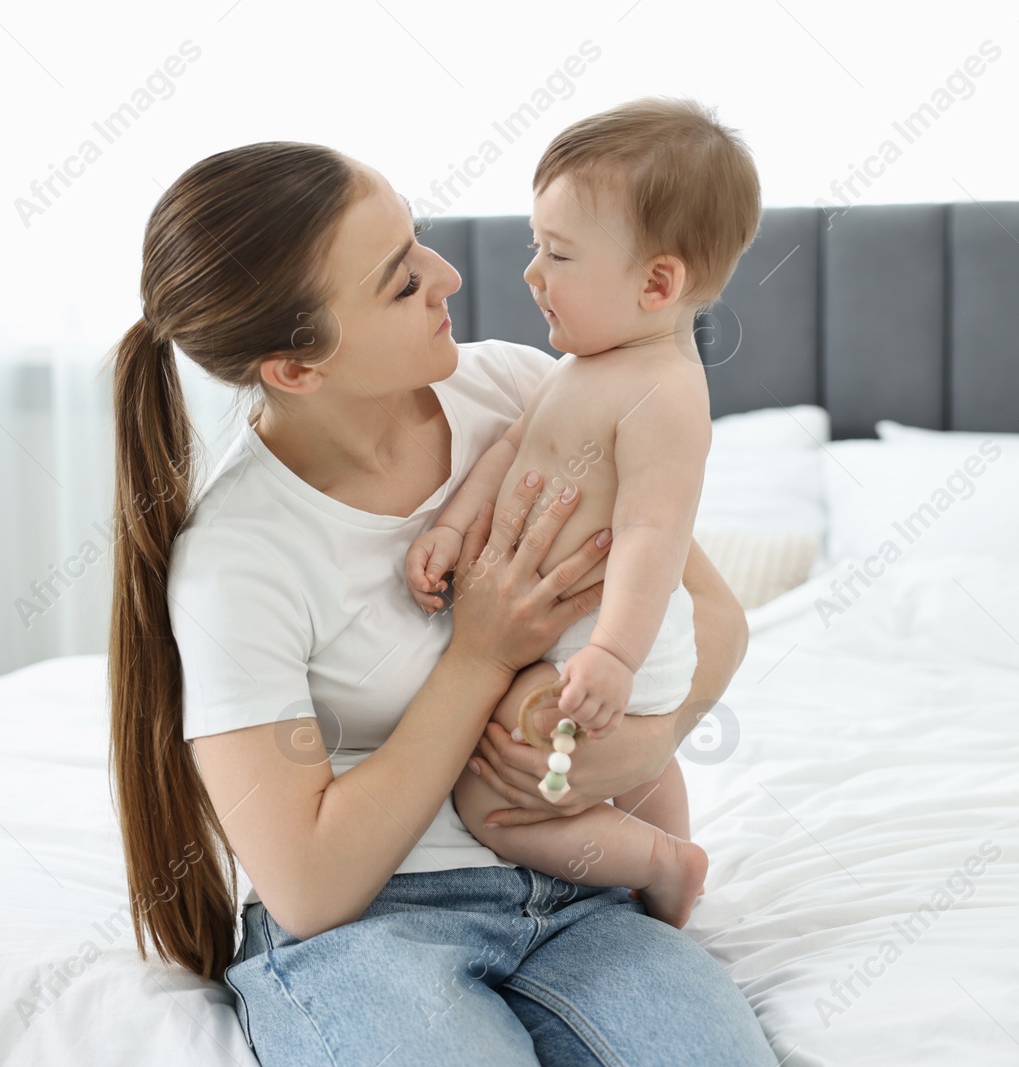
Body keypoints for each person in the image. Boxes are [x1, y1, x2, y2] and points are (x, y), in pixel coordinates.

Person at [106, 138, 777, 1065]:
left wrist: (649, 744)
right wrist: (480, 655)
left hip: (583, 891)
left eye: (416, 238)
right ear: (297, 366)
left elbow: (716, 620)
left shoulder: (521, 389)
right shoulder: (237, 559)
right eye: (398, 280)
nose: (450, 273)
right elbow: (308, 886)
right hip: (373, 929)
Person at [404, 99, 761, 929]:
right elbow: (506, 454)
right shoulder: (583, 367)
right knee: (635, 776)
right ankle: (664, 880)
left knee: (490, 797)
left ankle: (664, 860)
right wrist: (454, 528)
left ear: (657, 283)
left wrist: (611, 654)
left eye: (557, 253)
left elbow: (652, 537)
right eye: (537, 245)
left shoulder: (666, 394)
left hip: (605, 642)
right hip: (588, 642)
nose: (532, 273)